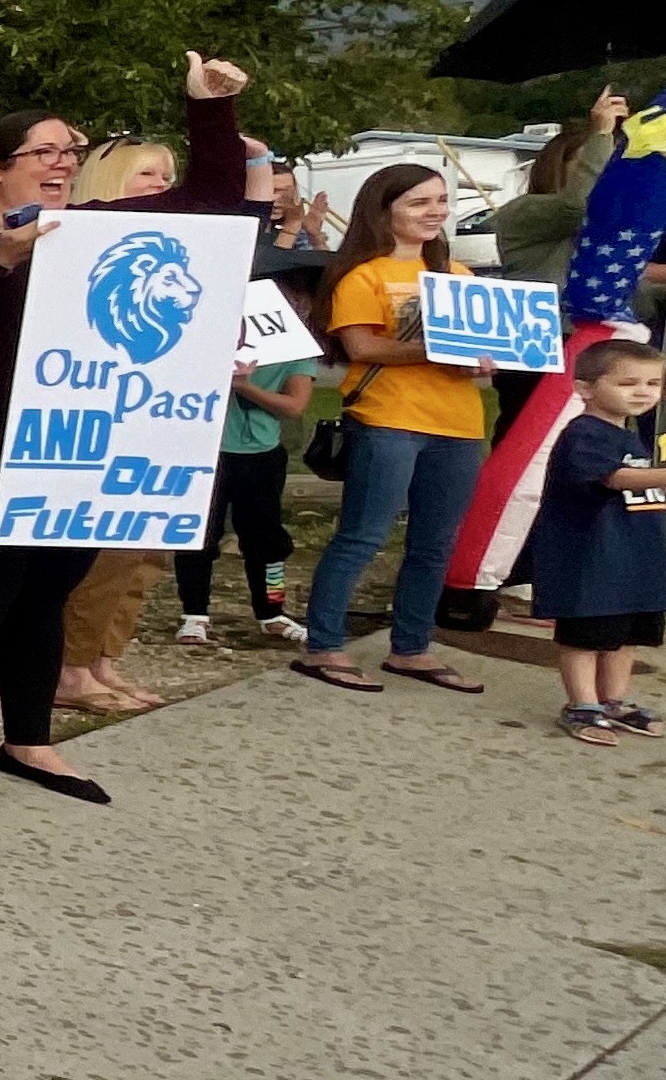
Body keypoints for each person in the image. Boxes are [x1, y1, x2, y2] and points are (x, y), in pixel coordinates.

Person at [0, 55, 254, 807]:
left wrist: (208, 111)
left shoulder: (94, 229)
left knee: (46, 595)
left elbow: (211, 203)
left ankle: (28, 738)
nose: (63, 163)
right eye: (45, 152)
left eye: (70, 150)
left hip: (79, 448)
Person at [294, 165, 492, 696]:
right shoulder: (364, 275)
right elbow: (361, 349)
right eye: (418, 203)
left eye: (441, 201)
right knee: (363, 535)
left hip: (458, 421)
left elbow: (485, 347)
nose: (435, 212)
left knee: (435, 544)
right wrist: (435, 348)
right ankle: (324, 644)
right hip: (388, 418)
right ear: (383, 212)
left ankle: (411, 648)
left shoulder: (459, 276)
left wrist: (487, 359)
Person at [52, 137, 184, 711]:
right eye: (147, 172)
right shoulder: (76, 242)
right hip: (100, 415)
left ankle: (104, 658)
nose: (162, 182)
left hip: (161, 413)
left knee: (147, 551)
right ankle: (70, 668)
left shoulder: (180, 251)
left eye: (168, 174)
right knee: (102, 552)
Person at [531, 340, 666, 742]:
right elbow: (614, 479)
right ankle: (582, 704)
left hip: (634, 555)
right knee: (586, 635)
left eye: (653, 383)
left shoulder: (628, 435)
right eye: (628, 382)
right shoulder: (585, 434)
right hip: (591, 555)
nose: (643, 391)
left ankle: (613, 700)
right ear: (585, 388)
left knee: (629, 634)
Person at [173, 273, 317, 645]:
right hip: (208, 450)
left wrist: (244, 386)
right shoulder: (210, 339)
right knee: (200, 536)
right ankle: (194, 613)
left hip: (261, 455)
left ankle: (271, 610)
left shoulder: (297, 352)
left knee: (266, 539)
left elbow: (295, 406)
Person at [493, 90, 628, 283]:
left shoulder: (606, 218)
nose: (604, 168)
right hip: (548, 312)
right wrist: (601, 134)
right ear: (557, 164)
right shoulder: (520, 211)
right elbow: (576, 206)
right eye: (592, 160)